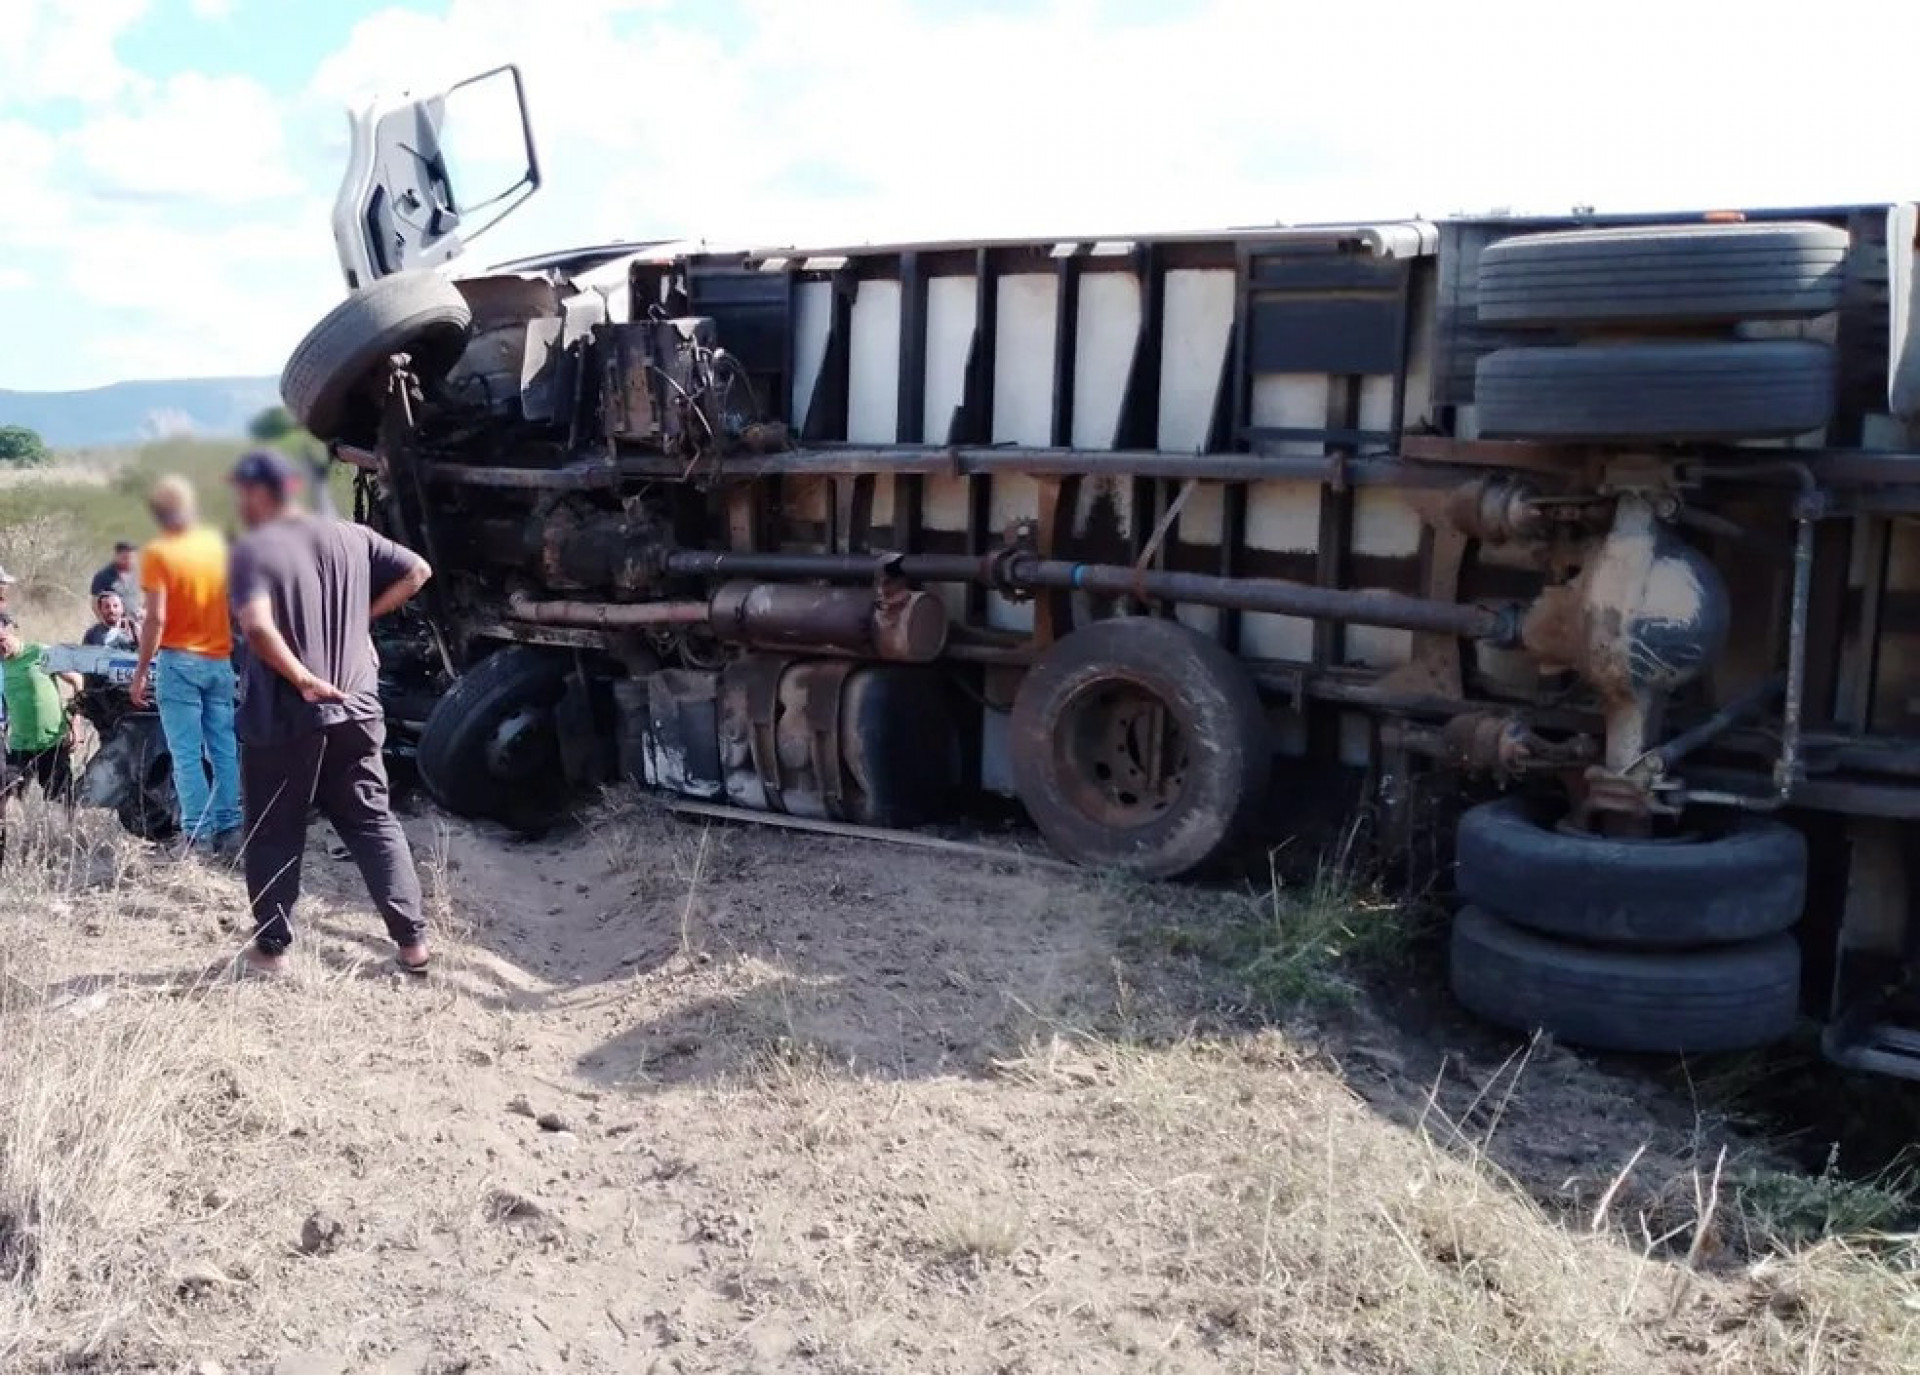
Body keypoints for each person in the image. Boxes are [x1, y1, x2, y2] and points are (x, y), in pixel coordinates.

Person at [226, 449, 435, 977]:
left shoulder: (252, 549)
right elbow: (418, 570)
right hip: (359, 705)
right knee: (371, 819)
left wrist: (301, 677)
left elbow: (255, 626)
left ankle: (271, 949)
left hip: (286, 712)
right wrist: (359, 623)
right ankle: (413, 945)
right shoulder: (353, 536)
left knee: (273, 827)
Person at [130, 476, 242, 854]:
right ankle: (231, 826)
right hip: (219, 659)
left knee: (186, 752)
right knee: (223, 747)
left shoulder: (159, 553)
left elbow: (156, 619)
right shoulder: (215, 549)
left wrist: (142, 669)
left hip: (180, 660)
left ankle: (197, 834)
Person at [1, 612, 81, 809]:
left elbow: (77, 680)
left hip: (52, 741)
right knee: (6, 800)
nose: (1, 647)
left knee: (62, 803)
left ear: (11, 631)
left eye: (2, 640)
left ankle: (65, 839)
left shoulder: (39, 652)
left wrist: (74, 723)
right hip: (20, 745)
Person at [91, 541, 143, 615]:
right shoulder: (102, 576)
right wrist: (106, 622)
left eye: (131, 558)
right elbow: (95, 604)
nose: (128, 561)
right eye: (125, 558)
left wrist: (144, 612)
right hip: (114, 621)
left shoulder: (139, 574)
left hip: (137, 620)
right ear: (116, 556)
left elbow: (148, 595)